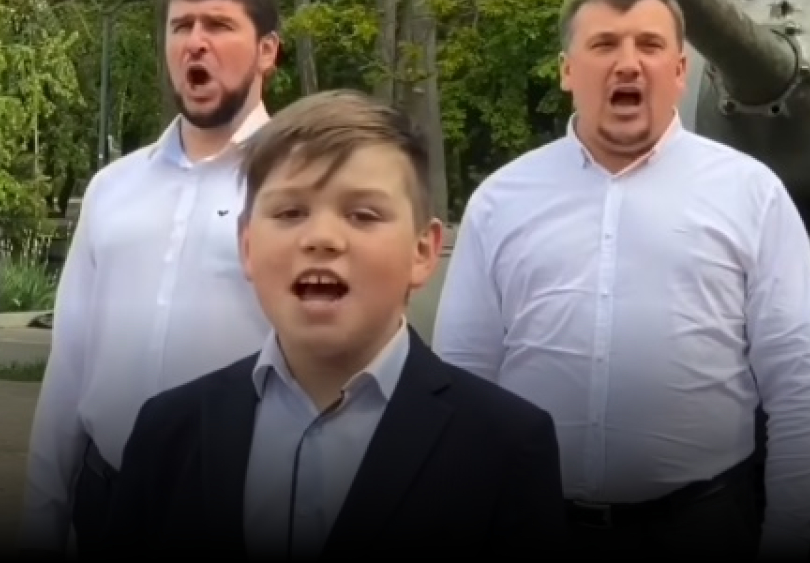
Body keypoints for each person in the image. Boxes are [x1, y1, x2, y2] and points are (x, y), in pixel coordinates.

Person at [432, 0, 810, 561]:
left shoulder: (752, 194)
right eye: (604, 45)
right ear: (568, 70)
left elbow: (798, 383)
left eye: (649, 45)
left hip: (700, 528)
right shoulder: (503, 198)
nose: (628, 64)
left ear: (680, 70)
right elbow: (463, 378)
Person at [100, 90, 569, 560]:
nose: (322, 238)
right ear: (246, 246)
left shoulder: (505, 446)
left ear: (422, 252)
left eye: (363, 215)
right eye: (290, 213)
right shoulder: (167, 432)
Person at [18, 0, 283, 558]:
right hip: (110, 502)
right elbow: (70, 364)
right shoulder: (113, 189)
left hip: (246, 506)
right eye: (181, 26)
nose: (196, 43)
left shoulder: (301, 184)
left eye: (219, 25)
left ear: (267, 51)